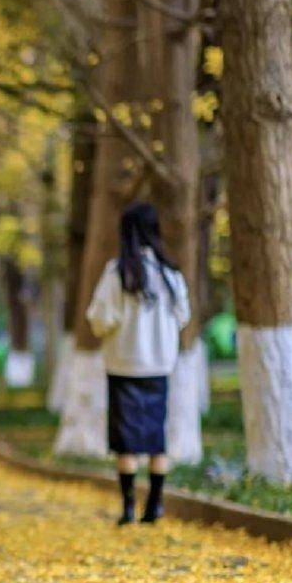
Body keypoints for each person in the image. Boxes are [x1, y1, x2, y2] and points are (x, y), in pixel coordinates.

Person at [86, 202, 191, 525]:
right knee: (156, 438)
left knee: (126, 442)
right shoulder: (171, 276)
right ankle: (155, 505)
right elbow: (183, 318)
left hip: (123, 366)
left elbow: (100, 319)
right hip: (159, 367)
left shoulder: (118, 273)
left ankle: (129, 507)